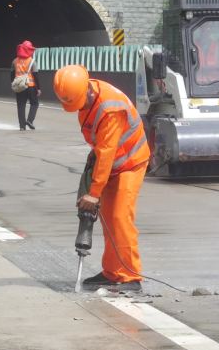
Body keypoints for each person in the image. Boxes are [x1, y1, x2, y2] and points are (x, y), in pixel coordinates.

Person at [53, 65, 150, 292]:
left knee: (119, 217)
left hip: (130, 163)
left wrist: (94, 193)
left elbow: (107, 152)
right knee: (108, 217)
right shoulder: (85, 97)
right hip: (111, 162)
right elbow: (101, 147)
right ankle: (112, 272)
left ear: (87, 90)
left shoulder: (109, 108)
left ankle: (129, 276)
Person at [11, 40, 40, 130]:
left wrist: (13, 84)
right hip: (31, 86)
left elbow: (11, 74)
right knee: (34, 103)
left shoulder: (15, 61)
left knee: (21, 105)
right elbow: (35, 76)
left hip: (20, 87)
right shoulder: (32, 61)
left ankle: (22, 127)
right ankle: (30, 120)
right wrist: (38, 88)